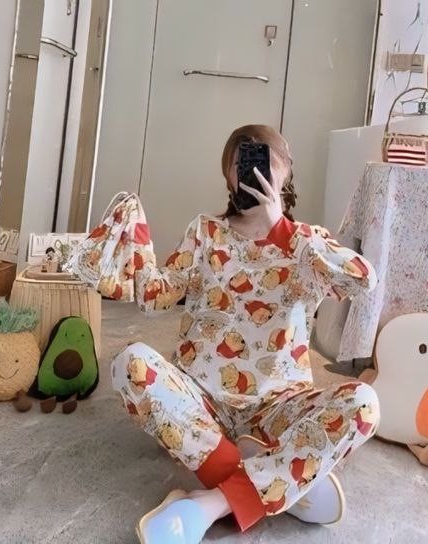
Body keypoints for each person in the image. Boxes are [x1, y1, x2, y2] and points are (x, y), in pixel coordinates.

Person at [110, 125, 380, 543]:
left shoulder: (306, 243)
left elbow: (363, 281)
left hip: (279, 407)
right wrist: (134, 238)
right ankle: (279, 480)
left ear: (286, 170)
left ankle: (211, 504)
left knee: (364, 404)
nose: (251, 169)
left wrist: (281, 230)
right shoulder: (205, 232)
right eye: (239, 162)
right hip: (202, 400)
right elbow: (155, 299)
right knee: (130, 363)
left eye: (263, 158)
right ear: (228, 175)